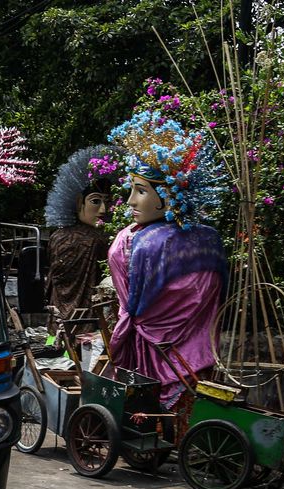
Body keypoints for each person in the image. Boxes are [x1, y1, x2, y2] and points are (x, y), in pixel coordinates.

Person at [106, 110, 227, 409]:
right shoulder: (209, 239)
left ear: (169, 196)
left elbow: (133, 307)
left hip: (154, 355)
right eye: (131, 189)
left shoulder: (134, 242)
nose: (131, 201)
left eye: (141, 190)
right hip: (202, 354)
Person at [43, 146, 121, 331]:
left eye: (108, 202)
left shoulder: (57, 236)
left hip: (58, 322)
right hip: (91, 325)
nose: (103, 210)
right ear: (79, 203)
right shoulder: (100, 240)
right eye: (95, 201)